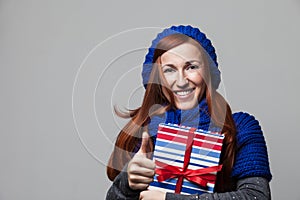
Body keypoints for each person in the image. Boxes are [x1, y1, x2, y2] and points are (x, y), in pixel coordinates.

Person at [105, 25, 272, 200]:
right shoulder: (144, 131)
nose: (181, 81)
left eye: (191, 67)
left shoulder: (241, 128)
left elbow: (257, 196)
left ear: (208, 72)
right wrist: (128, 184)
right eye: (169, 70)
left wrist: (169, 199)